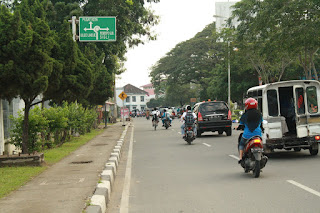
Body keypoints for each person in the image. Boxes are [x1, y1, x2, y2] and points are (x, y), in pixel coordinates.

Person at [237, 98, 263, 164]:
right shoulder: (259, 114)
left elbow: (241, 126)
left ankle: (240, 158)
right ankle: (262, 154)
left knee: (241, 144)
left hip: (247, 136)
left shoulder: (244, 115)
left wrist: (237, 128)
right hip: (258, 135)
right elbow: (261, 125)